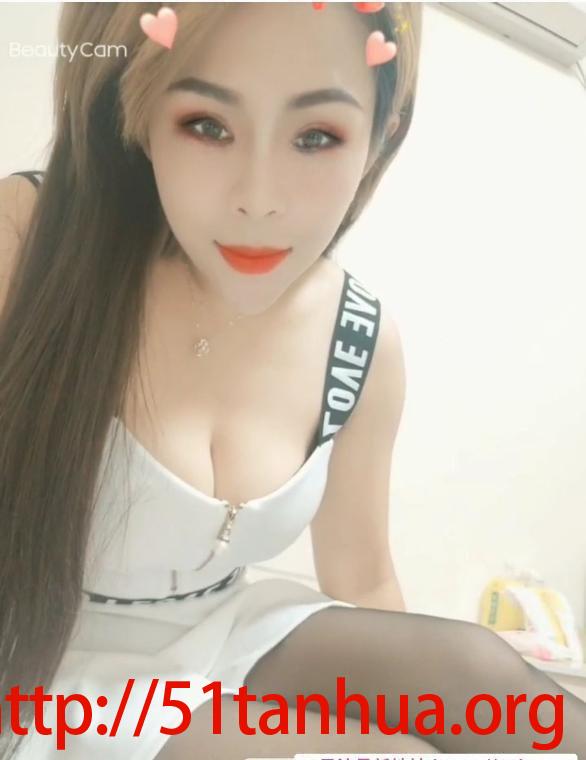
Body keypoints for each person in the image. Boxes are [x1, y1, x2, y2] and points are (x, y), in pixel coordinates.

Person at [0, 3, 584, 759]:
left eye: (316, 137)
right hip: (41, 658)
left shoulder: (361, 340)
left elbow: (364, 581)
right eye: (207, 125)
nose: (260, 197)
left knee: (478, 680)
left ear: (380, 136)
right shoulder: (30, 238)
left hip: (224, 635)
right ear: (137, 115)